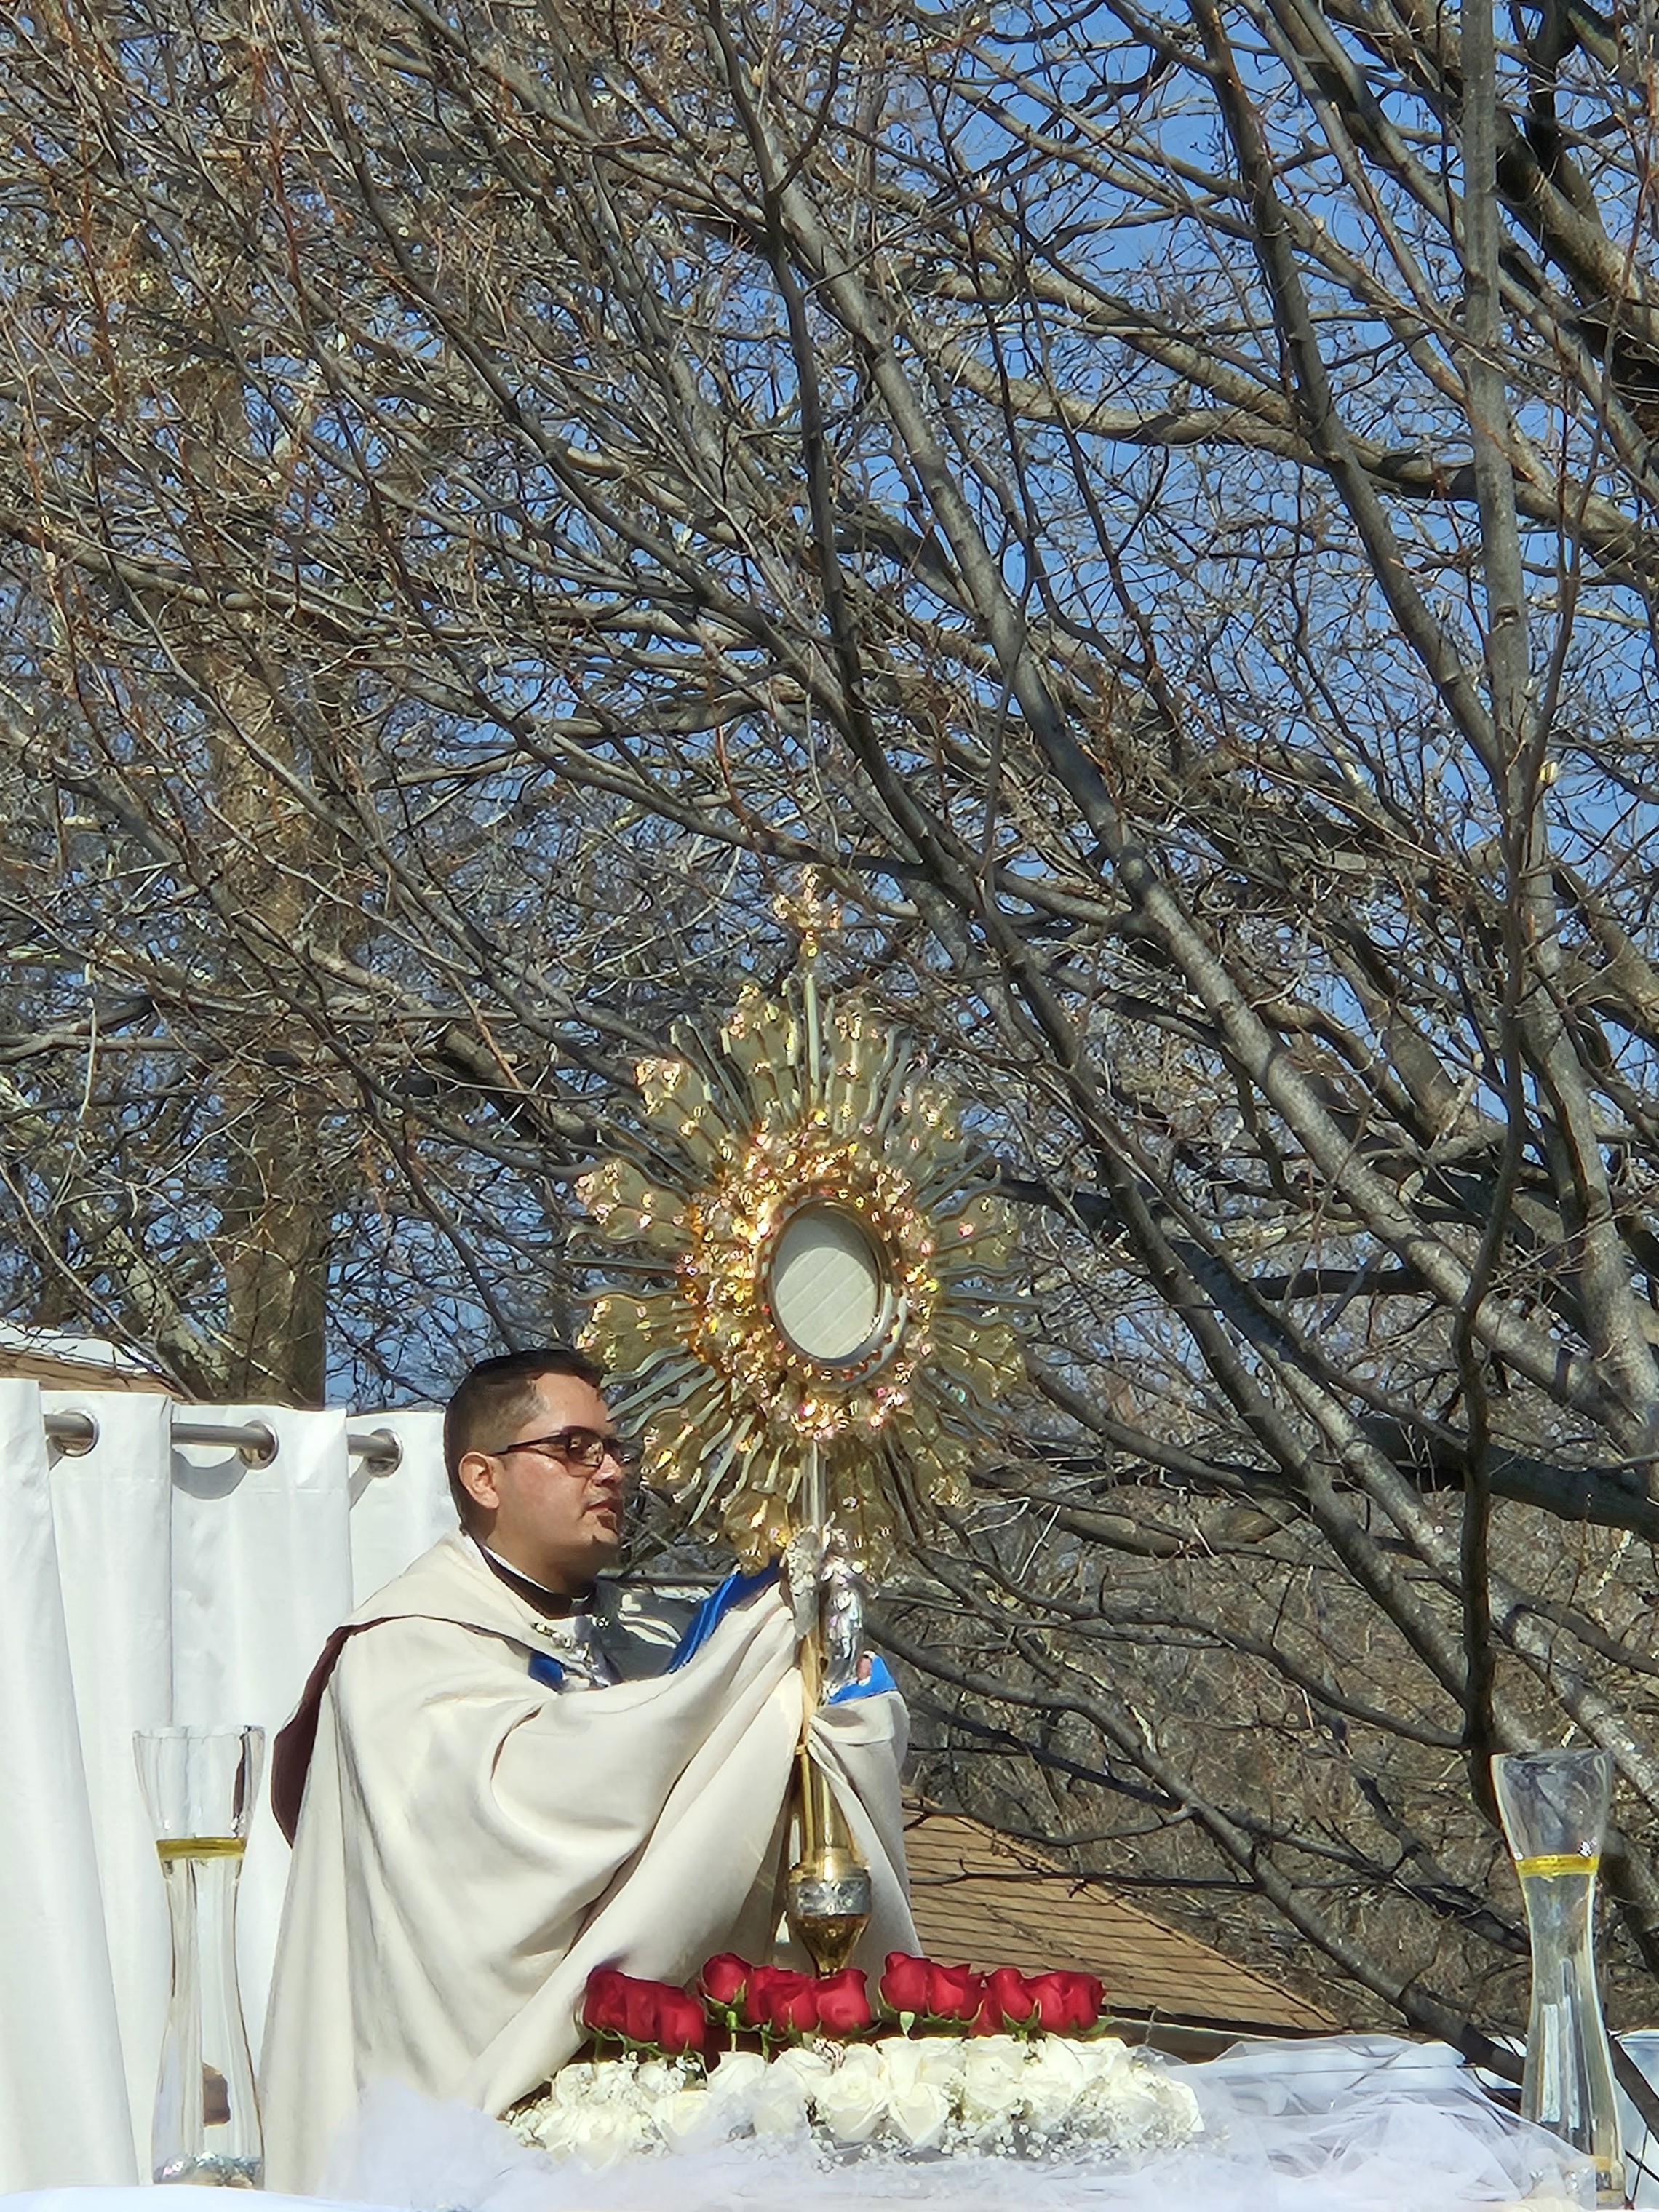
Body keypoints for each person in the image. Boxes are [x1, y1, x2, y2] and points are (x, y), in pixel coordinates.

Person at [258, 1347, 915, 2192]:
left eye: (615, 1448)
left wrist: (815, 1671)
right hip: (450, 2133)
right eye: (574, 1448)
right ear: (483, 1478)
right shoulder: (403, 1649)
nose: (610, 1470)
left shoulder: (642, 1638)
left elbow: (708, 1791)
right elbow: (518, 1816)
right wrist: (740, 1658)